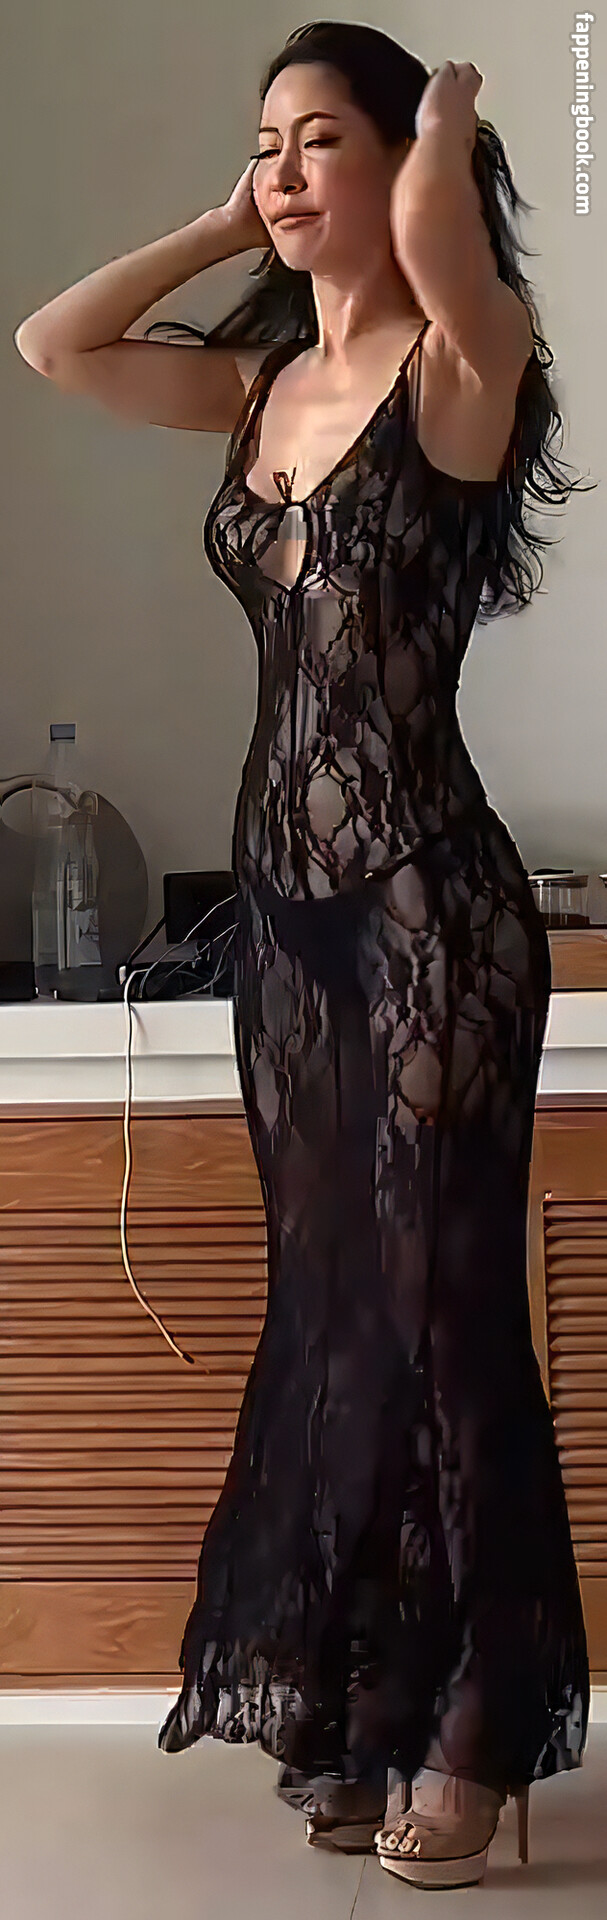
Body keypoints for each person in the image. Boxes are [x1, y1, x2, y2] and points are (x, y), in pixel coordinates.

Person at [14, 19, 592, 1893]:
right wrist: (222, 215)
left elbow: (436, 248)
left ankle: (476, 1734)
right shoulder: (263, 382)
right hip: (286, 921)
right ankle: (366, 1702)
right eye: (263, 139)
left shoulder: (464, 360)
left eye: (314, 138)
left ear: (402, 166)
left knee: (440, 1315)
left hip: (430, 909)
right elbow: (54, 344)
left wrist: (448, 116)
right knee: (336, 1317)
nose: (282, 168)